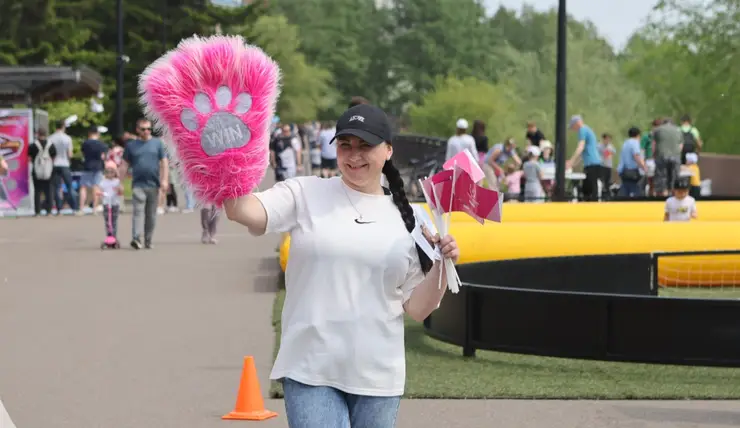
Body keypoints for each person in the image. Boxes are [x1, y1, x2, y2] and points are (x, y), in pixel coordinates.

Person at [223, 103, 459, 428]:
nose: (354, 155)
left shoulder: (413, 220)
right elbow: (241, 210)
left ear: (388, 150)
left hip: (378, 376)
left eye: (365, 146)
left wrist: (442, 267)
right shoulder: (305, 193)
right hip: (310, 367)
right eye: (345, 145)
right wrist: (224, 159)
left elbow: (418, 309)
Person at [119, 118, 168, 250]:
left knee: (151, 215)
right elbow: (124, 165)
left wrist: (164, 180)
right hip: (138, 185)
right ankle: (136, 238)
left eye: (148, 129)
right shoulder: (131, 146)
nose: (146, 131)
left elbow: (164, 163)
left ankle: (148, 239)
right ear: (137, 130)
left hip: (154, 184)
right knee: (138, 212)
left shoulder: (157, 144)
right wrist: (120, 182)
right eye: (143, 129)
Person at [566, 115, 602, 201]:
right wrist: (573, 164)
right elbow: (583, 153)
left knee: (590, 190)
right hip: (593, 163)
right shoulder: (588, 130)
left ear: (577, 123)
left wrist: (571, 162)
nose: (573, 129)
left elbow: (580, 147)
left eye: (573, 126)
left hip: (591, 163)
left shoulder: (582, 130)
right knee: (588, 189)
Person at [49, 119, 78, 214]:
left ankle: (59, 209)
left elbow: (50, 153)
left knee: (57, 187)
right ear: (63, 127)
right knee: (69, 186)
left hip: (55, 164)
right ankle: (74, 208)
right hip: (65, 164)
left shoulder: (51, 138)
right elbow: (70, 154)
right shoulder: (67, 138)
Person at [79, 127, 109, 215]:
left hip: (87, 166)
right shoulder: (101, 144)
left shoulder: (85, 143)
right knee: (96, 187)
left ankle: (81, 208)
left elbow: (83, 154)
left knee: (83, 187)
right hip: (98, 167)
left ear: (89, 133)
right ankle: (94, 209)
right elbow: (103, 157)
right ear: (97, 134)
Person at [27, 129, 57, 216]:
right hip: (49, 170)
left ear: (37, 134)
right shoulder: (51, 145)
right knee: (49, 191)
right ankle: (49, 211)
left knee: (37, 191)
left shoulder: (33, 145)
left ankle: (37, 211)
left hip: (36, 170)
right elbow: (54, 157)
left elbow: (29, 158)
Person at [652, 117, 683, 197]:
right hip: (675, 156)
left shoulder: (658, 130)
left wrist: (654, 155)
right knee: (675, 176)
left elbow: (654, 144)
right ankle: (673, 194)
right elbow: (681, 145)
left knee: (661, 176)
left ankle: (663, 194)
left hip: (662, 155)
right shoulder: (678, 130)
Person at [617, 127, 648, 198]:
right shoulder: (635, 143)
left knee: (625, 189)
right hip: (631, 172)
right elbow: (636, 156)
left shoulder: (626, 143)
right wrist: (644, 167)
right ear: (638, 135)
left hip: (623, 171)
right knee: (635, 191)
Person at [96, 162, 124, 240]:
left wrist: (119, 190)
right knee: (108, 221)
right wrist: (99, 192)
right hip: (106, 204)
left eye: (112, 172)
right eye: (108, 172)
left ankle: (114, 236)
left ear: (115, 172)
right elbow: (99, 189)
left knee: (114, 221)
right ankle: (109, 235)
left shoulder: (117, 181)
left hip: (114, 203)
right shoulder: (103, 182)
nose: (110, 174)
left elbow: (121, 191)